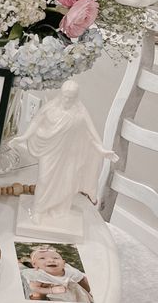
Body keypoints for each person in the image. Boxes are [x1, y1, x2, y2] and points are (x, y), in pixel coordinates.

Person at [11, 80, 117, 225]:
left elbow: (90, 132)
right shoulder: (51, 108)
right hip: (50, 150)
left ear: (76, 97)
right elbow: (36, 122)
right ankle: (39, 209)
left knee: (66, 181)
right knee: (44, 179)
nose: (67, 100)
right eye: (65, 96)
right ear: (61, 94)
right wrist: (24, 137)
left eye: (71, 98)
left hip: (69, 153)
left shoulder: (80, 111)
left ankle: (58, 208)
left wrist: (102, 149)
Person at [20, 246, 93, 303]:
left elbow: (82, 280)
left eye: (56, 258)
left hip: (74, 295)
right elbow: (34, 287)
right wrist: (51, 290)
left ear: (64, 263)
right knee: (36, 295)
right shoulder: (40, 275)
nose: (51, 260)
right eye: (42, 258)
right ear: (35, 265)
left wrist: (88, 291)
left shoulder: (69, 271)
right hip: (51, 297)